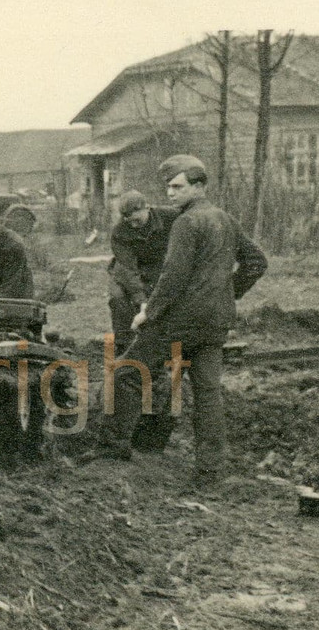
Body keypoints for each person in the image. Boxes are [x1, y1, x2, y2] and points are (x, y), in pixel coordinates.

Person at [80, 155, 267, 486]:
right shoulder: (224, 219)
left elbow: (173, 276)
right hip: (215, 322)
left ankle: (112, 451)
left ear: (199, 187)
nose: (170, 193)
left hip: (179, 322)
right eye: (168, 187)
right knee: (208, 393)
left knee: (127, 372)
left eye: (177, 186)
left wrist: (147, 313)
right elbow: (256, 262)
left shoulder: (185, 223)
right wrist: (225, 294)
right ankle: (211, 473)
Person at [107, 190, 181, 355]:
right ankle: (124, 348)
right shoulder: (119, 232)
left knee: (164, 302)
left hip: (158, 267)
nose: (133, 226)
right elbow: (128, 268)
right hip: (126, 271)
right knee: (118, 298)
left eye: (137, 221)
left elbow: (193, 219)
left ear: (147, 208)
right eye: (129, 222)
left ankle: (166, 345)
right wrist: (142, 301)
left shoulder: (169, 216)